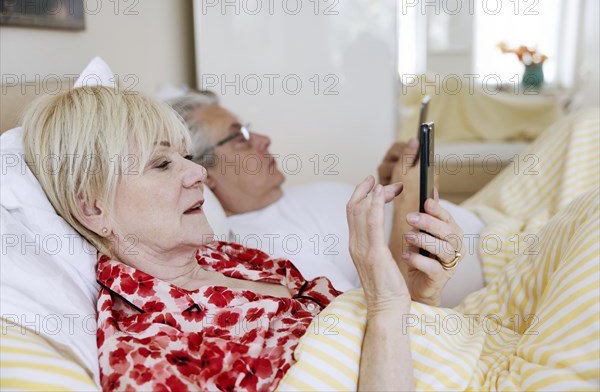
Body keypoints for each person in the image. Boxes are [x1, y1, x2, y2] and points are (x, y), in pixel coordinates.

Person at [22, 86, 466, 391]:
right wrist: (387, 301)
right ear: (93, 209)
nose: (198, 175)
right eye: (162, 165)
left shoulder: (233, 257)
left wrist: (421, 297)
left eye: (186, 157)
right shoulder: (152, 351)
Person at [168, 91, 484, 305]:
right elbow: (387, 313)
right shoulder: (267, 246)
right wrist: (410, 199)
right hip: (490, 270)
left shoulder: (277, 205)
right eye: (240, 138)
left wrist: (391, 189)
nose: (264, 140)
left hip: (490, 232)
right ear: (202, 172)